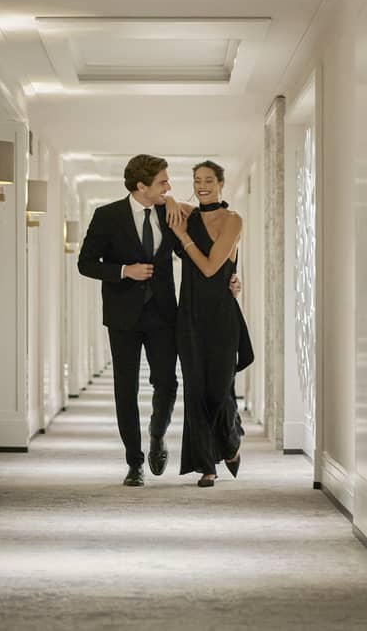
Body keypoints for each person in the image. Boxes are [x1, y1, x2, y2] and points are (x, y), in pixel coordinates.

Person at [77, 154, 240, 487]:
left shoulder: (171, 213)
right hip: (122, 316)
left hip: (164, 314)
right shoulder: (107, 216)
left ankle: (157, 434)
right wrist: (125, 271)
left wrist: (232, 277)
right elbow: (86, 263)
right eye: (163, 182)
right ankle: (134, 462)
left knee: (167, 383)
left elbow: (202, 253)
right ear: (142, 186)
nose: (169, 187)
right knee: (125, 388)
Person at [166, 160, 253, 488]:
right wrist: (171, 200)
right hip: (189, 315)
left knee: (219, 390)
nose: (202, 186)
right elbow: (161, 202)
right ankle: (207, 466)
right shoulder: (187, 215)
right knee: (195, 391)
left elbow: (210, 267)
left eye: (208, 180)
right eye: (197, 180)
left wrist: (181, 235)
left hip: (221, 316)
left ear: (220, 184)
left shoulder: (233, 220)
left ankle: (230, 441)